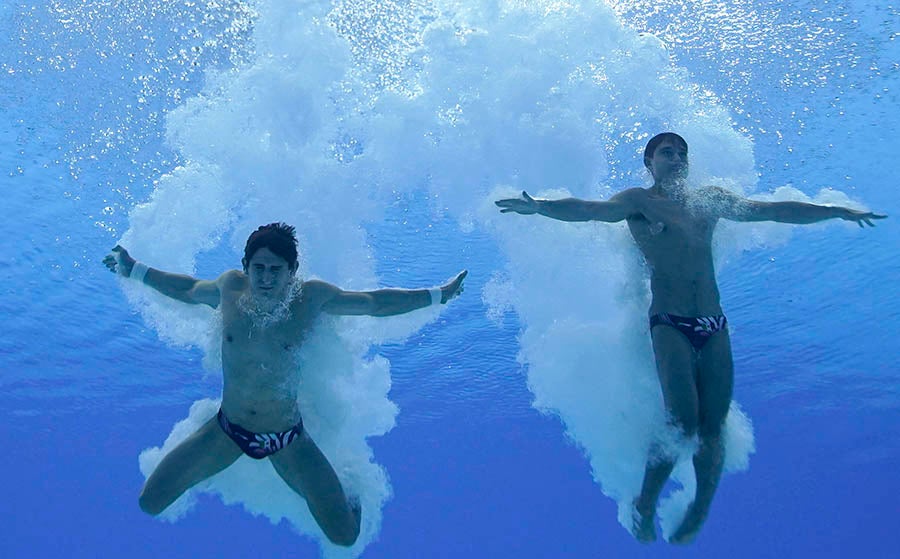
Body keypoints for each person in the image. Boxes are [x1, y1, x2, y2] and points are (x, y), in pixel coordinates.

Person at [495, 132, 886, 544]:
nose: (678, 158)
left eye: (683, 152)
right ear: (649, 162)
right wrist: (540, 206)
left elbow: (771, 211)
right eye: (667, 152)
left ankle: (700, 505)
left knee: (712, 426)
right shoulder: (638, 201)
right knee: (681, 421)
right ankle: (645, 501)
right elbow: (590, 210)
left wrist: (833, 211)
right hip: (670, 323)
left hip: (714, 324)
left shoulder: (708, 200)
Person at [103, 222, 467, 546]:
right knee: (149, 502)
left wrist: (438, 295)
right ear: (245, 268)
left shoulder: (311, 299)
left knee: (345, 538)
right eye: (258, 268)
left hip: (287, 440)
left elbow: (374, 303)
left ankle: (350, 491)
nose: (266, 278)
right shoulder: (229, 289)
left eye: (276, 270)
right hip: (226, 431)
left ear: (292, 272)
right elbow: (187, 288)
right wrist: (133, 269)